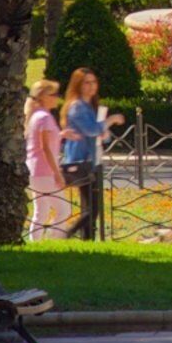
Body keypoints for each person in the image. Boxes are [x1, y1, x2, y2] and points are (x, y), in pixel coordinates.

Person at [58, 69, 107, 241]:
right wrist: (110, 121)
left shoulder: (88, 106)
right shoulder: (77, 106)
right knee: (92, 209)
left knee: (91, 207)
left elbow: (98, 134)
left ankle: (87, 242)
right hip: (81, 160)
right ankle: (67, 235)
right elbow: (91, 130)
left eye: (93, 82)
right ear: (78, 85)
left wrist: (104, 131)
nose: (91, 86)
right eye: (87, 82)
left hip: (91, 160)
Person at [22, 79, 69, 238]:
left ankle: (38, 244)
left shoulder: (37, 116)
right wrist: (57, 173)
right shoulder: (44, 118)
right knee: (63, 210)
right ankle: (53, 241)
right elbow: (45, 147)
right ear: (43, 97)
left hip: (36, 170)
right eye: (53, 94)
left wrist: (61, 135)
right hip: (45, 171)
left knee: (40, 211)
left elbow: (44, 142)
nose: (57, 97)